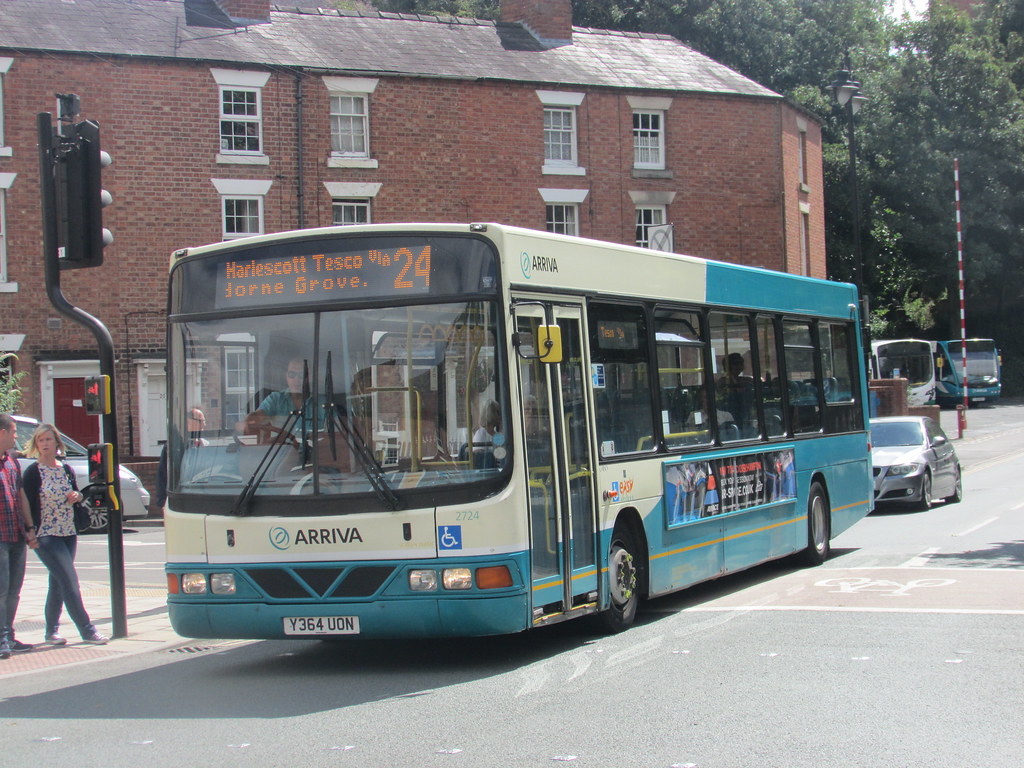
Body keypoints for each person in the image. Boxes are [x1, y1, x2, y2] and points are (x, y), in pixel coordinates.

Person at [21, 424, 108, 646]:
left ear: (57, 443)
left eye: (49, 440)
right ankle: (87, 630)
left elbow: (77, 492)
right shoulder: (33, 472)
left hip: (68, 531)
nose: (45, 444)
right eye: (41, 440)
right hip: (46, 534)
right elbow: (26, 503)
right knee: (70, 581)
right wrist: (30, 531)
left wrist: (76, 496)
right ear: (36, 444)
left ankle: (51, 631)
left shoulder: (65, 469)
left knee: (58, 582)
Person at [0, 414, 38, 659]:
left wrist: (30, 527)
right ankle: (2, 638)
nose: (16, 437)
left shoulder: (12, 462)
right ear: (2, 432)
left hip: (15, 534)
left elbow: (21, 496)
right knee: (1, 590)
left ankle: (9, 636)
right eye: (13, 432)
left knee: (14, 589)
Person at [241, 357, 324, 438]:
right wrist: (249, 420)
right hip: (280, 451)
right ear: (286, 376)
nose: (296, 379)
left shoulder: (322, 403)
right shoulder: (275, 399)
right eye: (292, 374)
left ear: (310, 378)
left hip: (314, 451)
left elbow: (335, 435)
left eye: (301, 375)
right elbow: (259, 415)